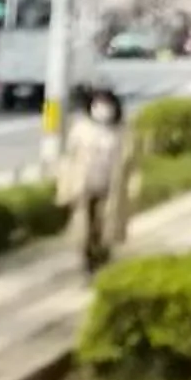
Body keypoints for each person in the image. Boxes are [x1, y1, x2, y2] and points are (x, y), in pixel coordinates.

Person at [57, 87, 132, 273]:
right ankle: (89, 260)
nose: (103, 109)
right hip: (84, 186)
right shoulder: (81, 129)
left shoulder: (121, 131)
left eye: (107, 105)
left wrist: (132, 188)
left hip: (111, 187)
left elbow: (131, 162)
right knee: (85, 227)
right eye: (98, 105)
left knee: (106, 225)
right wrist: (65, 187)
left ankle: (103, 258)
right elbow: (69, 159)